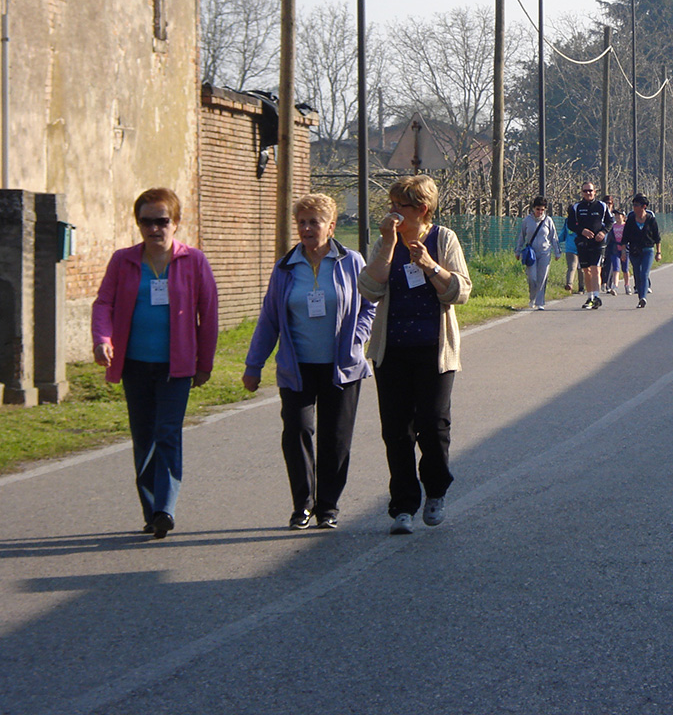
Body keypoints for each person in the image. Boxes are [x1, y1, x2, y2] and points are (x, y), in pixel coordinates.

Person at [243, 193, 375, 531]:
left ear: (331, 226)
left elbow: (370, 305)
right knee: (297, 431)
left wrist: (357, 337)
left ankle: (328, 506)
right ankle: (302, 504)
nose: (306, 228)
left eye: (314, 222)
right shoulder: (285, 268)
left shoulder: (351, 262)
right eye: (301, 222)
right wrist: (253, 365)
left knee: (335, 438)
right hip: (297, 366)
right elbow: (269, 319)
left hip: (341, 366)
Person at [92, 188, 218, 539]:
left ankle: (165, 508)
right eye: (146, 221)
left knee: (167, 433)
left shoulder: (194, 261)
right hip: (134, 364)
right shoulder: (123, 261)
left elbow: (208, 314)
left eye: (162, 221)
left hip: (175, 367)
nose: (154, 229)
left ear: (175, 222)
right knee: (144, 437)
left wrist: (204, 363)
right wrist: (103, 340)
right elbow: (103, 304)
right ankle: (151, 511)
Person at [359, 176, 472, 535]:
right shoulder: (385, 241)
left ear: (421, 209)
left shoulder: (443, 239)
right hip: (391, 350)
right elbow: (369, 289)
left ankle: (435, 491)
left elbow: (460, 291)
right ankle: (403, 506)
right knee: (396, 430)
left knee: (433, 425)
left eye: (400, 206)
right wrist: (388, 246)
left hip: (434, 351)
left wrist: (430, 265)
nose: (393, 212)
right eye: (391, 205)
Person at [566, 181, 613, 310]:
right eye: (585, 191)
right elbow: (570, 224)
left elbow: (610, 221)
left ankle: (596, 297)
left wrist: (603, 232)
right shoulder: (576, 207)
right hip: (583, 242)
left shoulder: (602, 206)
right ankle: (590, 297)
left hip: (598, 243)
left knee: (595, 269)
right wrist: (582, 231)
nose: (588, 193)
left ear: (595, 192)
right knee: (586, 270)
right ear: (582, 193)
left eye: (590, 190)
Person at [516, 196, 559, 310]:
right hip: (531, 253)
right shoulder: (527, 220)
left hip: (545, 252)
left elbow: (553, 237)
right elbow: (521, 236)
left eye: (542, 210)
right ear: (533, 208)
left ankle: (540, 302)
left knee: (542, 278)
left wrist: (557, 252)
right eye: (538, 209)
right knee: (532, 277)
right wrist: (518, 250)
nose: (540, 212)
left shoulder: (548, 221)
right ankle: (532, 298)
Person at [622, 193, 662, 308]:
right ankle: (640, 297)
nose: (634, 207)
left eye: (637, 205)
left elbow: (657, 237)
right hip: (634, 251)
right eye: (633, 205)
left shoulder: (651, 220)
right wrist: (623, 252)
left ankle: (643, 297)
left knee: (644, 273)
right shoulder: (630, 220)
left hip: (648, 250)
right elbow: (625, 237)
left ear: (644, 206)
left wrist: (658, 253)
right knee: (637, 273)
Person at [605, 207, 631, 295]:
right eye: (615, 215)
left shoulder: (627, 226)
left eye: (619, 215)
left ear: (623, 216)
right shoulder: (612, 227)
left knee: (625, 269)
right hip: (615, 250)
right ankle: (614, 286)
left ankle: (627, 285)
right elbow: (609, 239)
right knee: (616, 268)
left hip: (625, 249)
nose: (617, 217)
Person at [560, 215, 579, 293]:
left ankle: (578, 286)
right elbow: (563, 233)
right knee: (574, 267)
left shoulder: (568, 222)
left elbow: (563, 234)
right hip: (572, 248)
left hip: (579, 248)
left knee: (575, 268)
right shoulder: (568, 221)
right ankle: (570, 285)